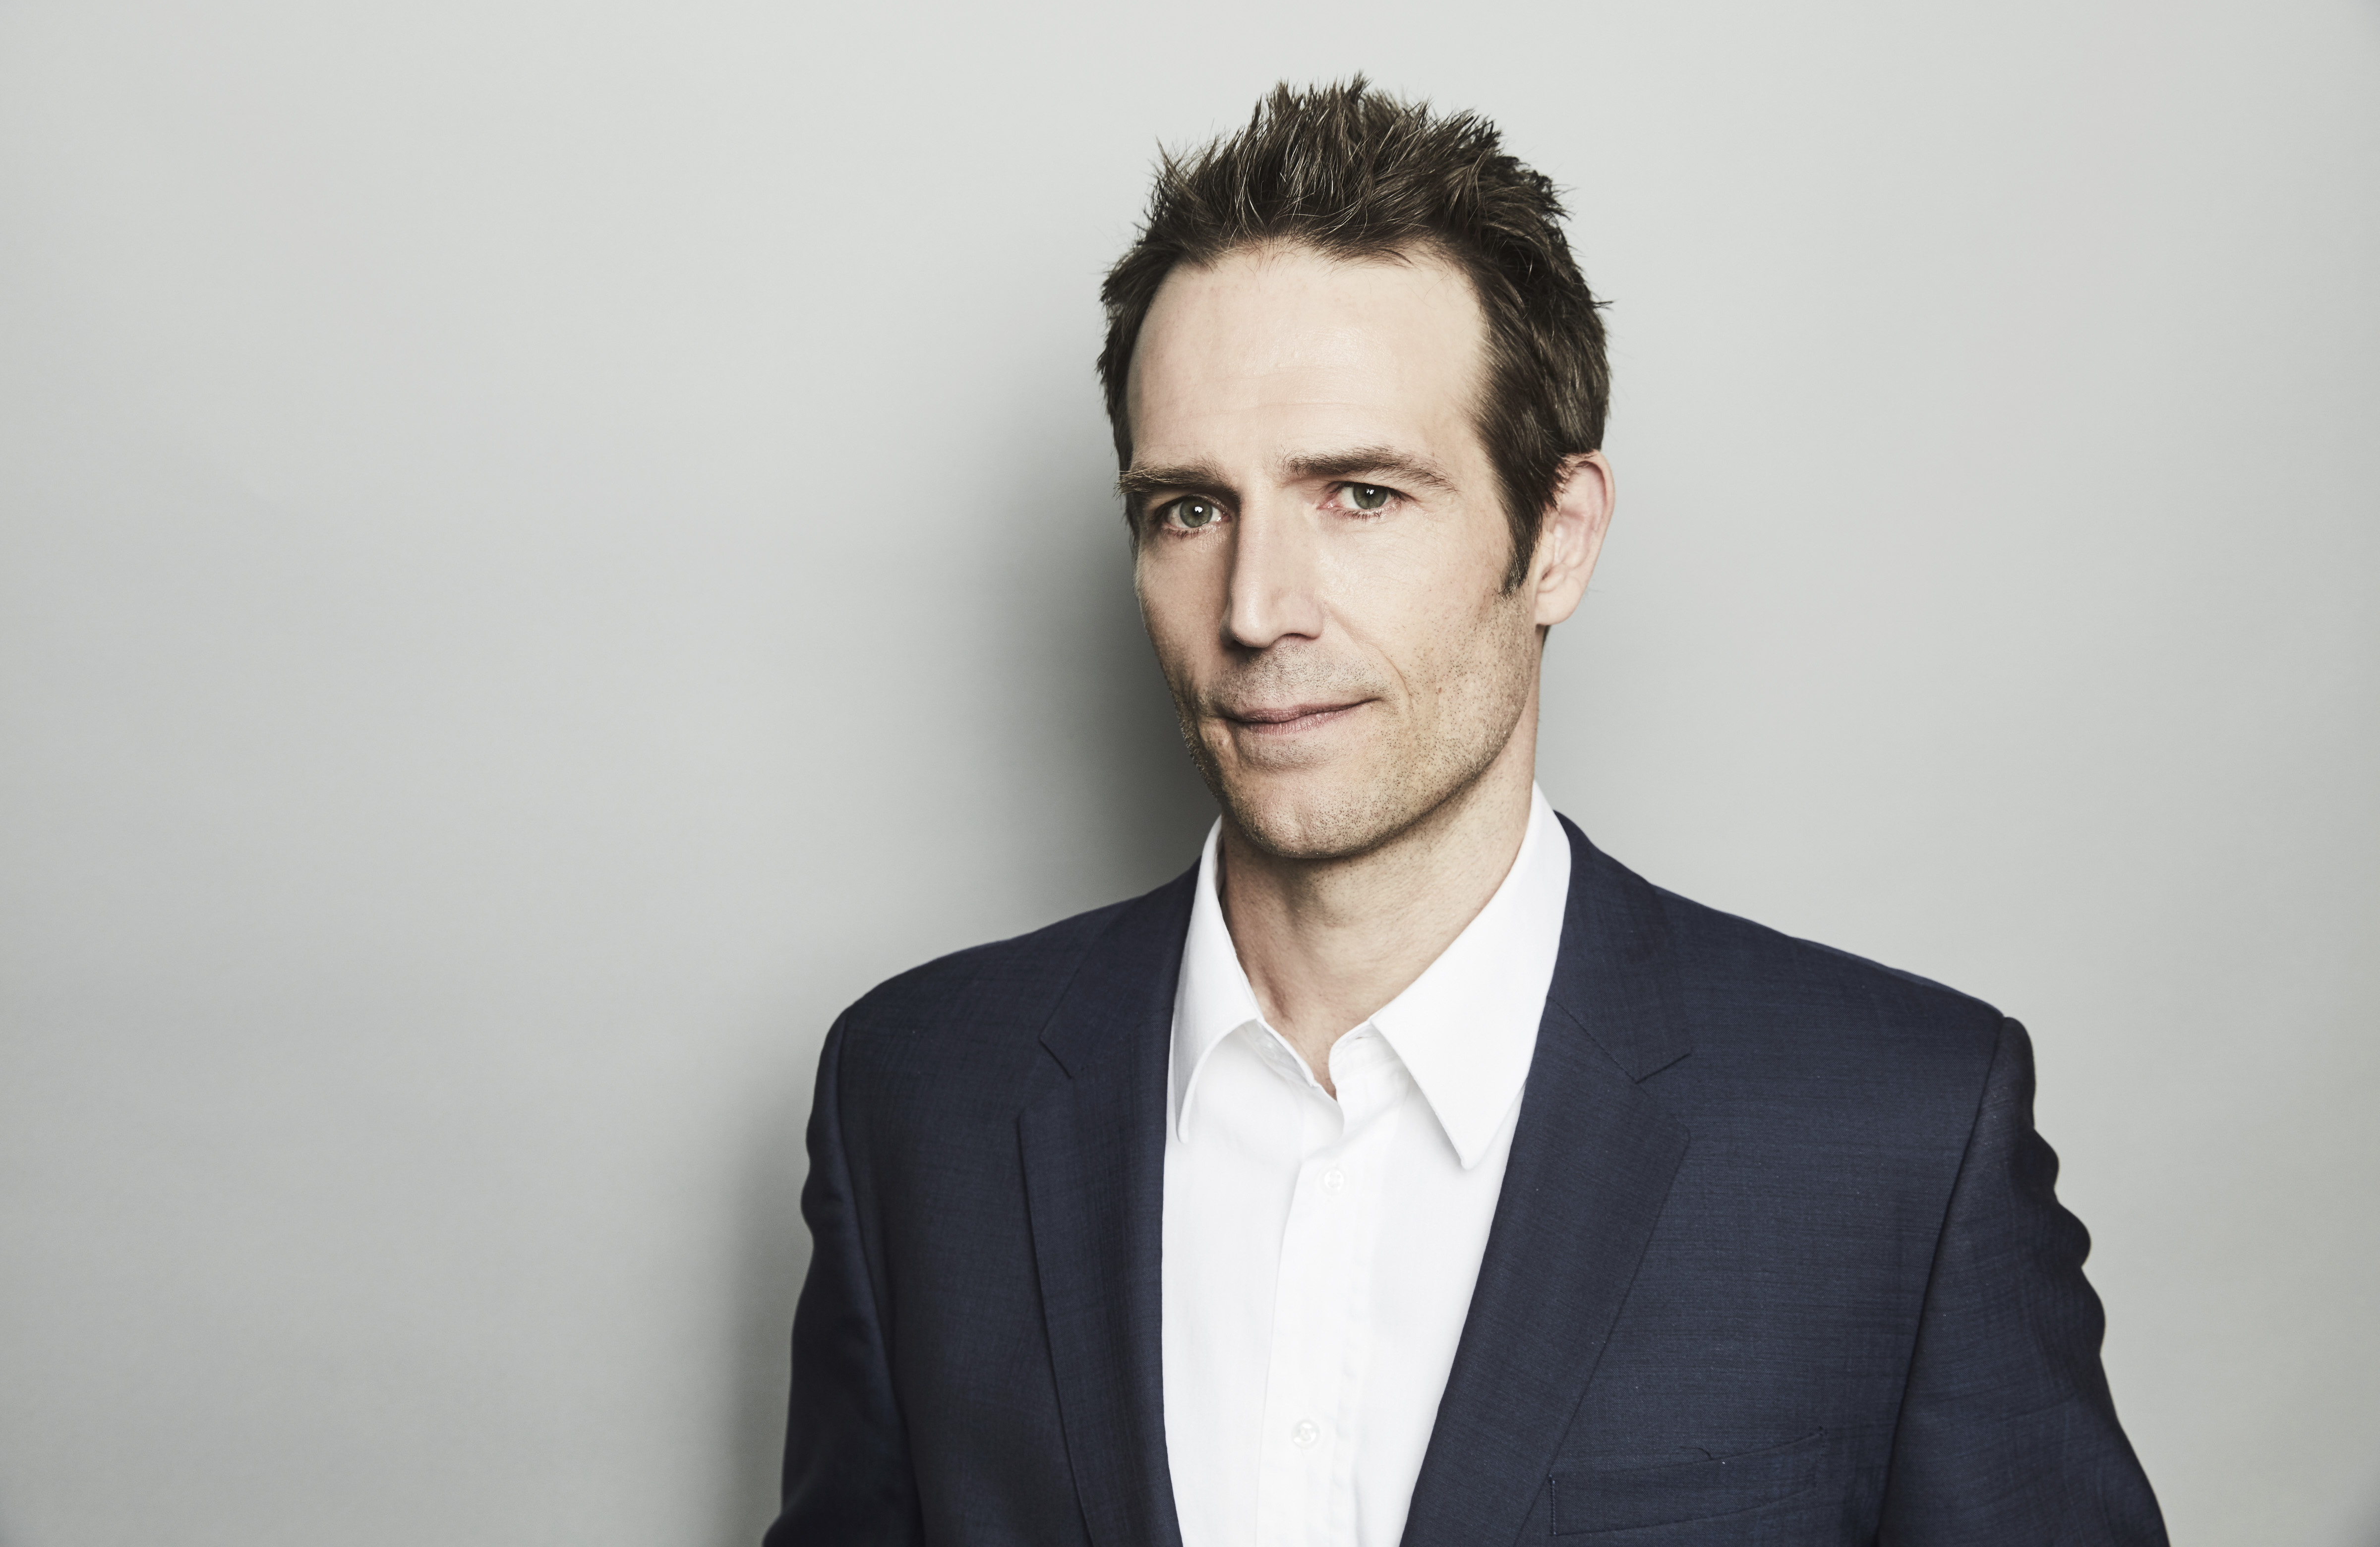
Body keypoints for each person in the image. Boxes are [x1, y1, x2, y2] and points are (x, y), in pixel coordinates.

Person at [761, 78, 2165, 1547]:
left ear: (1556, 542)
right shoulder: (914, 1101)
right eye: (1189, 508)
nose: (1256, 610)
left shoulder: (1895, 1138)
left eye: (1360, 495)